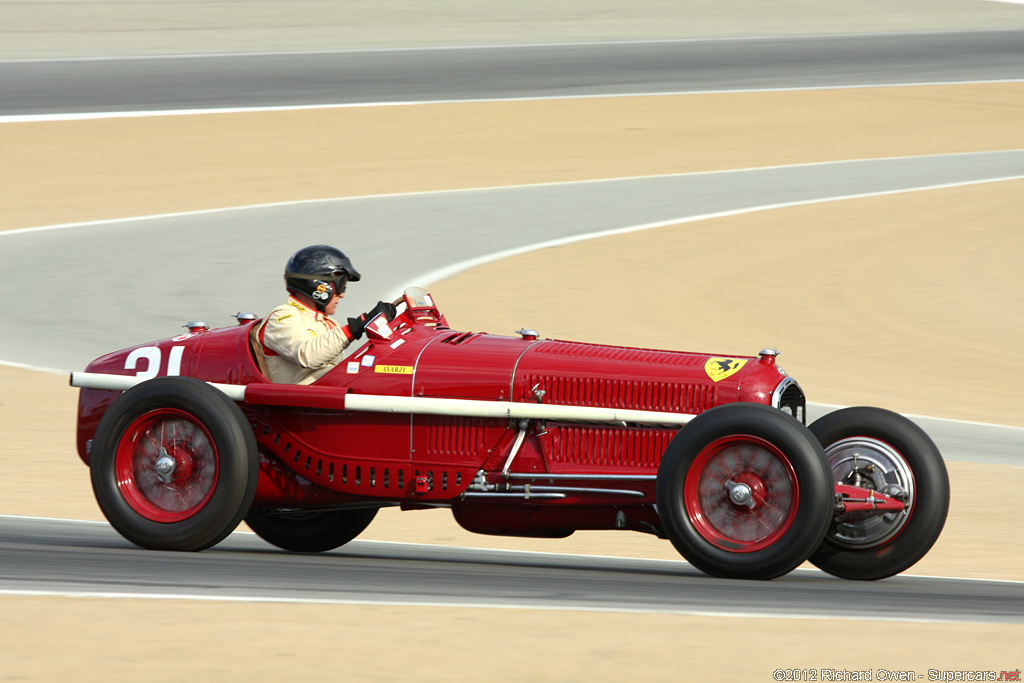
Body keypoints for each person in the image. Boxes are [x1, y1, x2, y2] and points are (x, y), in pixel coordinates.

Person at [256, 245, 396, 384]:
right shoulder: (283, 315)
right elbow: (308, 355)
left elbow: (345, 369)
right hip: (302, 401)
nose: (342, 295)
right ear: (317, 286)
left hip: (332, 393)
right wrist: (358, 325)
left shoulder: (328, 323)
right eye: (341, 285)